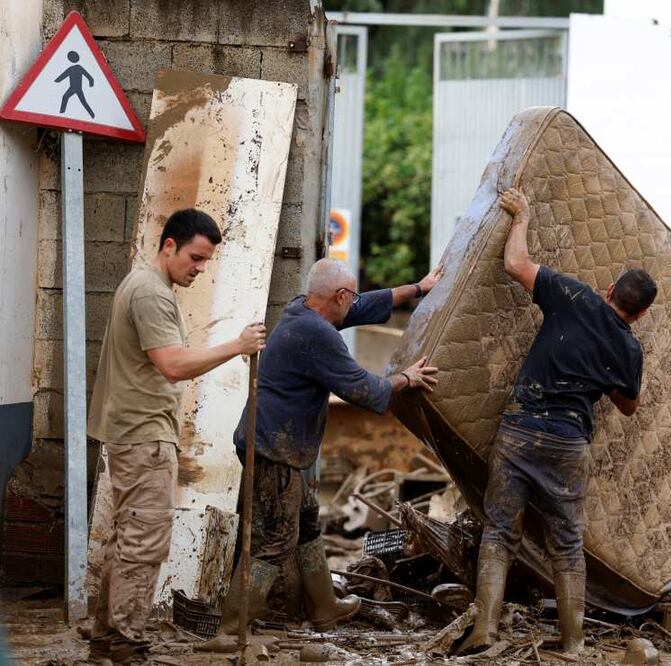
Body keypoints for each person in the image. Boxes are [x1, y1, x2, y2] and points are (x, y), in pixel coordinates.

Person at [460, 188, 657, 655]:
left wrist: (523, 217)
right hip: (569, 444)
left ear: (610, 290)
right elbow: (629, 406)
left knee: (499, 530)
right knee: (567, 544)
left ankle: (485, 630)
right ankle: (573, 643)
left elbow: (515, 265)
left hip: (521, 431)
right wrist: (605, 372)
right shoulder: (630, 350)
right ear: (642, 313)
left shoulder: (573, 295)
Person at [214, 258, 442, 636]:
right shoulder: (317, 334)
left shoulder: (301, 308)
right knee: (273, 541)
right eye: (348, 298)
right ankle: (230, 632)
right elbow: (365, 390)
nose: (352, 305)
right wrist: (407, 377)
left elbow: (364, 304)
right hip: (274, 451)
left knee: (305, 522)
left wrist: (417, 288)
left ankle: (324, 607)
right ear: (338, 295)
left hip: (280, 445)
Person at [87, 209, 266, 664]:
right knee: (144, 543)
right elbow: (173, 364)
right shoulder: (151, 293)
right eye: (195, 257)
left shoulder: (144, 284)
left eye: (205, 261)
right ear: (169, 246)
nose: (200, 268)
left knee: (126, 539)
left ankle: (107, 641)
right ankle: (124, 643)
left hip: (132, 430)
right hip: (143, 434)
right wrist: (236, 347)